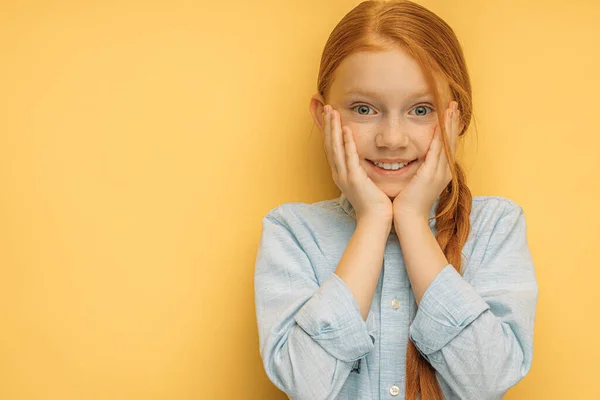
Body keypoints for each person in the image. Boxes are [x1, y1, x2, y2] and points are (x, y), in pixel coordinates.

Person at [253, 1, 539, 399]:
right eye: (364, 109)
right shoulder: (293, 233)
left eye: (421, 110)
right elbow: (306, 385)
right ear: (323, 116)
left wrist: (410, 219)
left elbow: (488, 381)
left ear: (459, 118)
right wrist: (372, 220)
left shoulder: (496, 227)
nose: (391, 138)